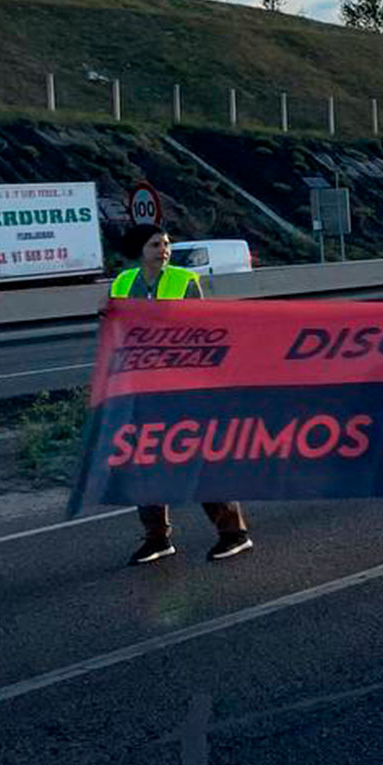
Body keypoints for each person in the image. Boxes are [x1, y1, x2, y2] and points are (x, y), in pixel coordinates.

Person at [109, 223, 254, 565]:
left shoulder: (184, 280)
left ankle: (234, 534)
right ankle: (157, 539)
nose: (164, 249)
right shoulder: (123, 282)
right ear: (139, 250)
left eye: (166, 243)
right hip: (144, 387)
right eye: (155, 244)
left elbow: (198, 332)